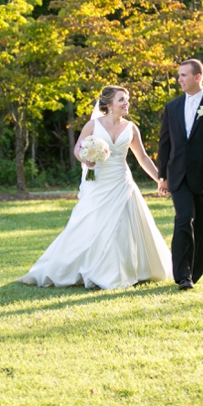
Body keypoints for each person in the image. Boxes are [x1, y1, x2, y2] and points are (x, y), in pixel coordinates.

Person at [19, 85, 173, 289]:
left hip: (121, 182)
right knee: (90, 224)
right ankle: (83, 268)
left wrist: (159, 179)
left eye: (127, 99)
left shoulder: (131, 128)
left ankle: (121, 271)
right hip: (98, 182)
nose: (127, 103)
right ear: (109, 105)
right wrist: (86, 159)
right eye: (122, 100)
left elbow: (142, 157)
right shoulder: (93, 125)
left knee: (121, 227)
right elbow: (78, 148)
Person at [157, 59, 203, 291]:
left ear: (197, 77)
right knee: (183, 219)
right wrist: (163, 176)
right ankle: (183, 275)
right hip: (178, 176)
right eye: (179, 75)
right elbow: (165, 143)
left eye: (183, 75)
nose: (179, 79)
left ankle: (195, 272)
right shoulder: (172, 107)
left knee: (202, 227)